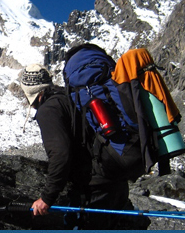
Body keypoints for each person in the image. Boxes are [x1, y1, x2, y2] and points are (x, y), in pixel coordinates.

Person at [19, 63, 135, 230]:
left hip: (92, 189)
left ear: (31, 93)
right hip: (114, 177)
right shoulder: (70, 96)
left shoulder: (48, 110)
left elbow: (60, 154)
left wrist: (46, 198)